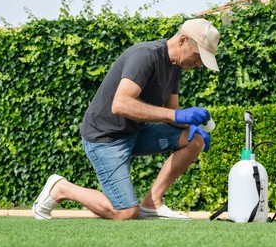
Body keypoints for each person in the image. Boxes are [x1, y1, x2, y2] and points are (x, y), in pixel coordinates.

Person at [32, 18, 220, 220]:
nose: (200, 64)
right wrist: (176, 115)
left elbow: (172, 113)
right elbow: (120, 104)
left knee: (194, 140)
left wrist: (192, 123)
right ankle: (61, 188)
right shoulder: (145, 56)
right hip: (105, 137)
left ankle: (152, 203)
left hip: (135, 132)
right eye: (198, 56)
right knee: (126, 212)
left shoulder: (176, 67)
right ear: (183, 40)